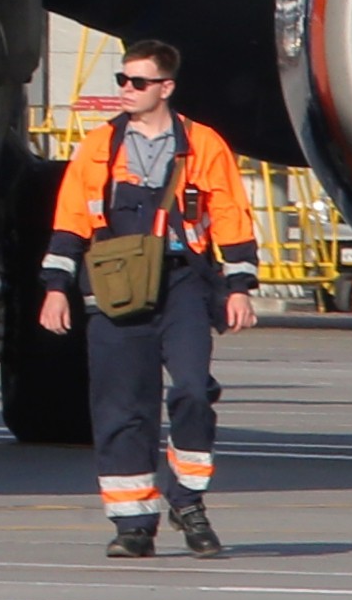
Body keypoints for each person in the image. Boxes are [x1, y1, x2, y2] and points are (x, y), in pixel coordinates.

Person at [35, 39, 259, 559]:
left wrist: (240, 287)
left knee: (193, 392)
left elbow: (231, 216)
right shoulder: (97, 147)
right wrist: (54, 290)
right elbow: (70, 220)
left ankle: (187, 499)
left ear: (166, 87)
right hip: (116, 287)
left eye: (137, 82)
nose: (126, 91)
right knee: (121, 408)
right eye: (122, 80)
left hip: (182, 283)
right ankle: (132, 523)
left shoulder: (203, 145)